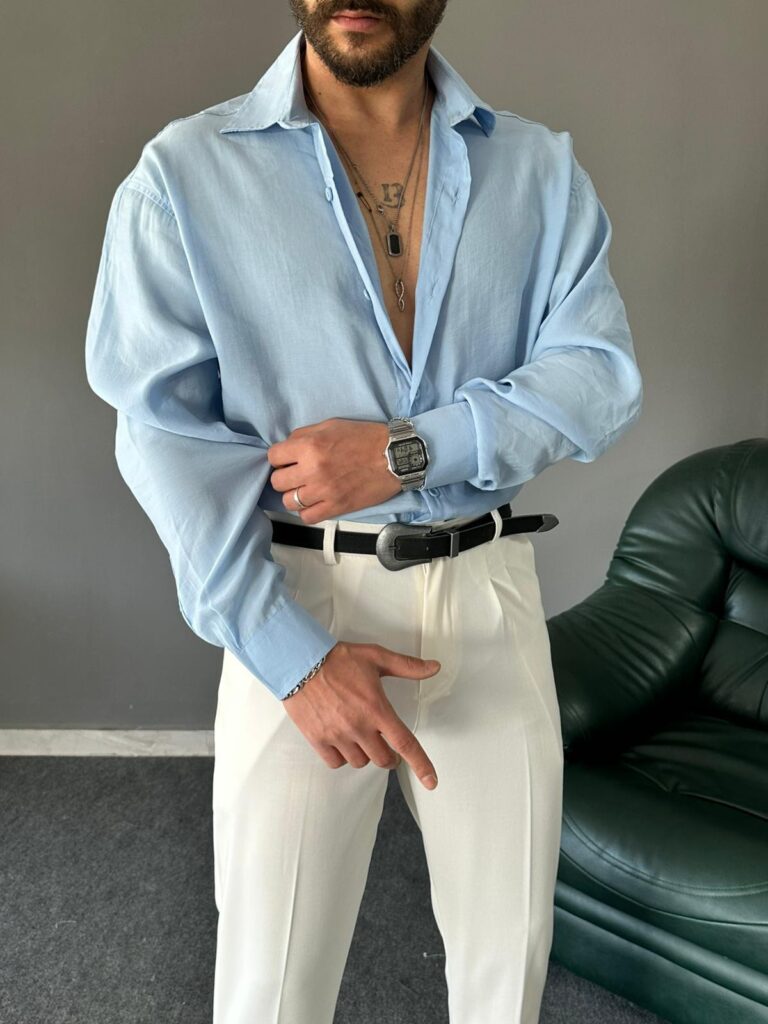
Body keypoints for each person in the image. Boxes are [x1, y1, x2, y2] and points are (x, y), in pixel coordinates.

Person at [84, 2, 643, 1021]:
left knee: (506, 969)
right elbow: (162, 439)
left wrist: (406, 451)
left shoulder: (539, 170)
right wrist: (292, 658)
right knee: (269, 984)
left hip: (488, 594)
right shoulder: (185, 175)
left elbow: (596, 377)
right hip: (295, 598)